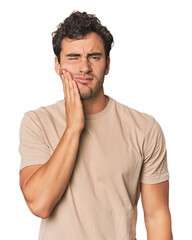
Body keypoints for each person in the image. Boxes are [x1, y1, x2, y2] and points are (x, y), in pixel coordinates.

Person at [19, 11, 173, 240]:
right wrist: (73, 128)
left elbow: (156, 217)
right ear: (57, 64)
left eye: (94, 57)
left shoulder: (144, 128)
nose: (84, 67)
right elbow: (40, 204)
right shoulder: (37, 122)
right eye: (73, 57)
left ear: (107, 64)